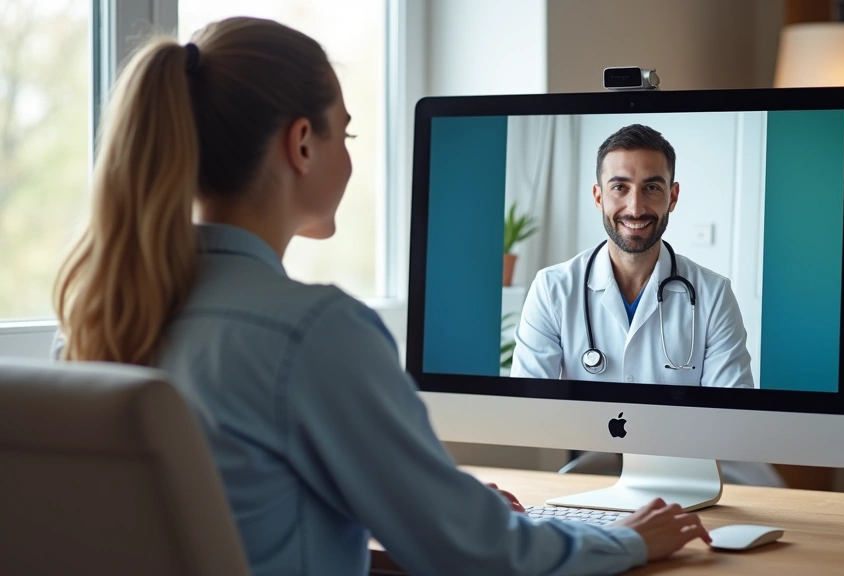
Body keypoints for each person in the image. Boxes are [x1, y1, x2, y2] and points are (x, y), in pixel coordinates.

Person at [52, 17, 712, 576]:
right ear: (302, 144)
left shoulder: (98, 324)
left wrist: (448, 502)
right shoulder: (313, 333)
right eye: (347, 133)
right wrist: (628, 538)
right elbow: (473, 552)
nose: (350, 156)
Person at [511, 124, 755, 388]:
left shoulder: (714, 295)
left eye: (651, 188)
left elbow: (730, 415)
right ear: (598, 197)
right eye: (619, 187)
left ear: (672, 197)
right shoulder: (551, 289)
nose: (636, 208)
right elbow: (529, 407)